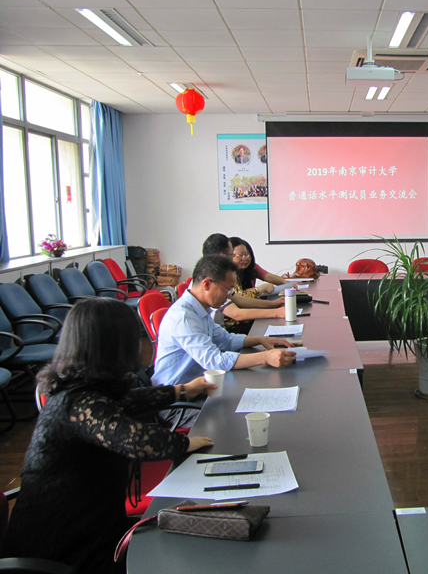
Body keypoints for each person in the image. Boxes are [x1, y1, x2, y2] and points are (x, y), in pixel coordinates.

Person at [3, 298, 216, 573]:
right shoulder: (77, 403)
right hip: (64, 548)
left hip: (92, 526)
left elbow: (126, 401)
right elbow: (139, 441)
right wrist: (185, 443)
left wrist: (181, 390)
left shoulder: (82, 389)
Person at [153, 256, 296, 425]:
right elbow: (215, 361)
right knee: (232, 423)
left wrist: (259, 339)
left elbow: (225, 340)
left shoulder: (200, 310)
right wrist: (265, 357)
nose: (229, 296)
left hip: (199, 391)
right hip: (175, 403)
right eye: (227, 289)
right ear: (207, 284)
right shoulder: (183, 318)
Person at [203, 233, 286, 329]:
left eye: (246, 254)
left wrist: (273, 304)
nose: (244, 258)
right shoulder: (214, 279)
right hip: (230, 328)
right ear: (222, 256)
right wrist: (276, 312)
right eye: (232, 254)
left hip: (227, 332)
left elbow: (240, 299)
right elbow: (236, 314)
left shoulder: (223, 274)